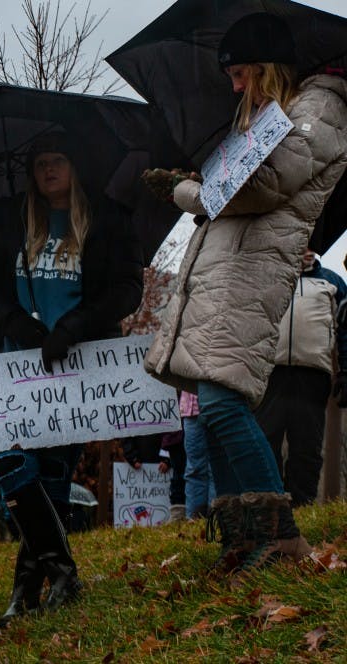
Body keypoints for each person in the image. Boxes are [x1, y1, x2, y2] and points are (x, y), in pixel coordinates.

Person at [145, 13, 347, 572]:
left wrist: (185, 189)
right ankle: (243, 536)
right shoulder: (271, 116)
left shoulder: (321, 108)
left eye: (241, 73)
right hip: (230, 270)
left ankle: (279, 538)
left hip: (251, 273)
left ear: (269, 67)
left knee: (222, 402)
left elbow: (256, 187)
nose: (235, 86)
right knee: (214, 406)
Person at [0, 131, 143, 624]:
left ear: (75, 166)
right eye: (40, 162)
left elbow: (128, 288)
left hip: (76, 366)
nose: (48, 170)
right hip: (13, 364)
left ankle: (26, 590)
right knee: (10, 462)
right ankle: (63, 572)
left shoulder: (106, 219)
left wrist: (74, 326)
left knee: (53, 477)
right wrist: (14, 321)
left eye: (58, 161)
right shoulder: (13, 219)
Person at [255, 247, 347, 506]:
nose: (305, 250)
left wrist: (345, 371)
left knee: (306, 445)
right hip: (271, 373)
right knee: (266, 440)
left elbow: (345, 330)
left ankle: (302, 505)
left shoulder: (332, 281)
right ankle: (270, 504)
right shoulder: (270, 278)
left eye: (311, 246)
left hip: (313, 376)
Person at [179, 391, 214, 519]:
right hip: (191, 408)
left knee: (216, 469)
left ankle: (215, 522)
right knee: (194, 469)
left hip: (218, 406)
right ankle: (194, 523)